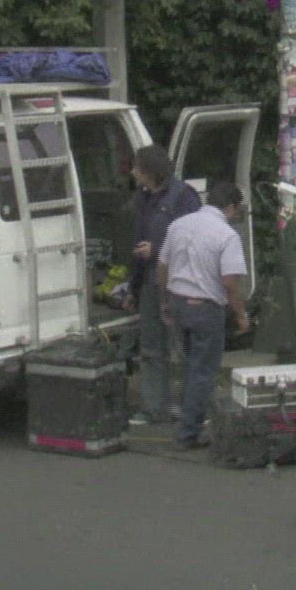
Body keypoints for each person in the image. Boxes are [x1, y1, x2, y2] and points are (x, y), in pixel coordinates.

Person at [155, 179, 249, 449]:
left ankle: (190, 419)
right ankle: (188, 433)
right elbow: (230, 281)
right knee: (202, 372)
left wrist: (164, 301)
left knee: (189, 366)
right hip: (205, 308)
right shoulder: (227, 235)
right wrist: (241, 314)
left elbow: (162, 266)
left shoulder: (179, 224)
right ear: (231, 207)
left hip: (177, 301)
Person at [126, 145, 200, 426]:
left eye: (136, 167)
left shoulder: (184, 197)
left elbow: (195, 240)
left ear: (149, 171)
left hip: (179, 285)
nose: (132, 172)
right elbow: (138, 242)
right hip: (150, 283)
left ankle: (183, 408)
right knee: (150, 349)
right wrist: (133, 289)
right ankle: (152, 408)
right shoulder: (143, 198)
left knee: (179, 348)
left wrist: (157, 251)